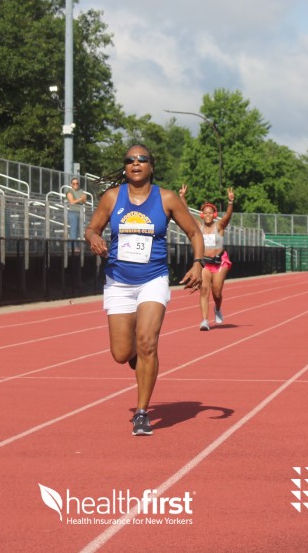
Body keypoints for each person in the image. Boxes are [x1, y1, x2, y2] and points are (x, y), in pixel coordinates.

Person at [84, 144, 206, 436]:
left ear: (152, 166)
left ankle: (141, 412)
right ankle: (137, 359)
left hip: (153, 279)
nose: (135, 163)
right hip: (118, 281)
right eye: (130, 160)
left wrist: (198, 263)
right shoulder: (112, 197)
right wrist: (94, 238)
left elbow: (194, 232)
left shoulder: (167, 198)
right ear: (125, 166)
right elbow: (92, 228)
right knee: (121, 353)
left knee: (147, 342)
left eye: (142, 159)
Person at [179, 184, 235, 330]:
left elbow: (228, 216)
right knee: (204, 290)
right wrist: (182, 197)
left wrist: (230, 202)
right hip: (205, 264)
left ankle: (217, 308)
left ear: (214, 215)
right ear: (202, 215)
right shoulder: (199, 227)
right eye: (205, 213)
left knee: (217, 292)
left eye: (211, 213)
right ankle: (204, 320)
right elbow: (187, 214)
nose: (208, 215)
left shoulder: (219, 226)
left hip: (220, 263)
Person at [65, 177, 88, 253]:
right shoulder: (69, 191)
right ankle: (72, 247)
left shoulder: (81, 191)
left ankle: (77, 246)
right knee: (73, 230)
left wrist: (83, 199)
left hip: (80, 212)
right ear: (71, 184)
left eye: (77, 183)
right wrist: (81, 199)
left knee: (79, 230)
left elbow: (84, 201)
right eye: (74, 183)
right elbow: (72, 202)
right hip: (73, 212)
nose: (75, 185)